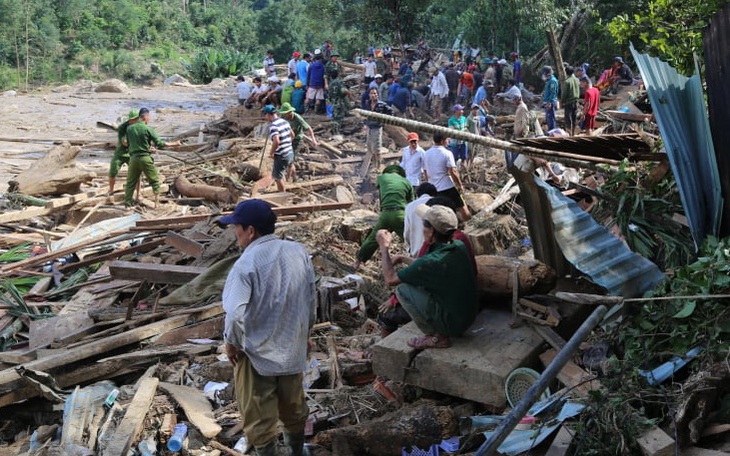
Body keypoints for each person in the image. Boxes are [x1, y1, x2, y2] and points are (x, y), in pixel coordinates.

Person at [220, 199, 315, 456]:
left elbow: (234, 314)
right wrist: (306, 334)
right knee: (294, 407)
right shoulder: (298, 252)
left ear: (250, 231)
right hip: (291, 347)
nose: (234, 232)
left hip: (255, 354)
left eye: (236, 227)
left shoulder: (245, 265)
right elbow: (310, 297)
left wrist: (231, 343)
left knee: (259, 415)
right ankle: (297, 452)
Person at [375, 204, 478, 349]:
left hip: (453, 325)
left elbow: (390, 279)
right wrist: (403, 258)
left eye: (424, 225)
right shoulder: (458, 246)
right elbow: (424, 265)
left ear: (431, 232)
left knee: (402, 289)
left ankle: (437, 337)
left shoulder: (430, 261)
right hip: (468, 317)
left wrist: (384, 246)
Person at [352, 165, 414, 269]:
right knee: (411, 240)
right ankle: (417, 263)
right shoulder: (407, 182)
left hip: (385, 214)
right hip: (400, 215)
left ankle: (357, 262)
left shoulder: (382, 178)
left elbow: (381, 195)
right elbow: (411, 203)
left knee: (373, 238)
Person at [124, 108, 181, 207]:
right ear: (145, 117)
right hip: (145, 158)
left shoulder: (129, 129)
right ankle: (156, 203)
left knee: (130, 183)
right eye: (149, 117)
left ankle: (127, 205)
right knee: (154, 180)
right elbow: (160, 143)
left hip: (133, 159)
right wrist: (174, 144)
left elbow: (126, 143)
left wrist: (142, 147)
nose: (149, 119)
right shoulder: (148, 129)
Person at [424, 132, 471, 221]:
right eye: (447, 139)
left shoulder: (426, 153)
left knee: (439, 213)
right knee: (462, 206)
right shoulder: (447, 153)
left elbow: (425, 172)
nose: (448, 141)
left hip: (433, 188)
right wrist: (459, 185)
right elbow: (453, 172)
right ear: (442, 141)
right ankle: (470, 224)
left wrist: (429, 184)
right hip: (447, 186)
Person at [279, 102, 317, 182]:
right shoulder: (283, 117)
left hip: (297, 140)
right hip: (288, 139)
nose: (284, 115)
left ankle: (287, 180)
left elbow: (309, 128)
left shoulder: (297, 118)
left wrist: (313, 140)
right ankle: (294, 179)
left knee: (290, 161)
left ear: (290, 112)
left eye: (285, 113)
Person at [108, 109, 140, 197]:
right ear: (130, 120)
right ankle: (111, 190)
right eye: (133, 120)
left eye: (136, 120)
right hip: (120, 153)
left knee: (137, 173)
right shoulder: (122, 128)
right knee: (113, 171)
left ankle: (138, 193)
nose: (135, 121)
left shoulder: (139, 127)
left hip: (132, 154)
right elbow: (124, 142)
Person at [263, 105, 294, 192]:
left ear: (268, 115)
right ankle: (290, 181)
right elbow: (292, 135)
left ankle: (282, 194)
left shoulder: (273, 126)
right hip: (289, 151)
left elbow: (276, 141)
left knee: (277, 177)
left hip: (281, 155)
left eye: (265, 115)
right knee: (289, 166)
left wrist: (271, 153)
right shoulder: (285, 121)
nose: (265, 117)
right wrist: (287, 144)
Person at [403, 183, 436, 257]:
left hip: (416, 253)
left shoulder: (409, 206)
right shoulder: (437, 202)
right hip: (435, 252)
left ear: (418, 194)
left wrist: (409, 249)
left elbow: (406, 232)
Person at [363, 88, 392, 171]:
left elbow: (390, 111)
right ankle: (373, 165)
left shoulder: (382, 104)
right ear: (369, 95)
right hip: (369, 128)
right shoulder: (367, 104)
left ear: (377, 95)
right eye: (372, 93)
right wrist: (365, 124)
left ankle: (378, 167)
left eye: (375, 93)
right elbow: (365, 115)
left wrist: (385, 122)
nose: (373, 95)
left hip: (377, 128)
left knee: (377, 148)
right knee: (369, 146)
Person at [447, 105, 469, 169]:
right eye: (460, 110)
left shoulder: (464, 119)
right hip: (454, 142)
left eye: (462, 110)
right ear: (456, 111)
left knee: (464, 157)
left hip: (463, 142)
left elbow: (465, 128)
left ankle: (464, 172)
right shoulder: (451, 120)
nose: (462, 111)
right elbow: (451, 131)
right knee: (454, 158)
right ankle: (455, 171)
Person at [561, 66, 580, 136]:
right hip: (576, 101)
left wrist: (562, 101)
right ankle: (573, 133)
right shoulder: (577, 80)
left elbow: (565, 93)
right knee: (574, 118)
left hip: (569, 102)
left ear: (566, 72)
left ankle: (569, 134)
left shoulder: (567, 81)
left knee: (568, 119)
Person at [541, 66, 559, 131]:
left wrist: (549, 102)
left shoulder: (552, 81)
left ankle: (553, 132)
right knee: (548, 119)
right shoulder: (549, 80)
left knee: (551, 118)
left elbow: (553, 92)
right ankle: (551, 131)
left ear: (547, 73)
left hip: (550, 102)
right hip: (547, 102)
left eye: (544, 73)